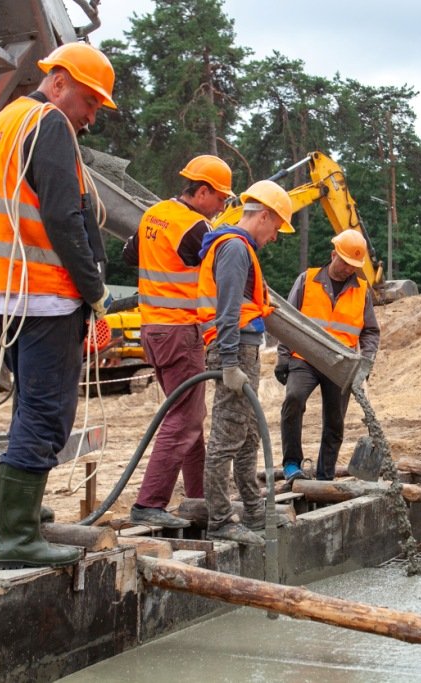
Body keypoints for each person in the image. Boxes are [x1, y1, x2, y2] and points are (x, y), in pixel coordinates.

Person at [0, 42, 117, 569]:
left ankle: (26, 510)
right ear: (60, 82)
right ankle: (18, 536)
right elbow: (65, 217)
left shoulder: (4, 122)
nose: (92, 116)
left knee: (30, 403)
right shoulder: (47, 123)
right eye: (90, 102)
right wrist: (94, 291)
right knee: (48, 412)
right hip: (41, 289)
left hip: (3, 288)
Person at [121, 155, 234, 528]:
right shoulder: (194, 227)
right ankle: (149, 502)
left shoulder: (154, 214)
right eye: (220, 199)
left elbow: (129, 254)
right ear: (202, 192)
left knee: (190, 416)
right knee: (184, 419)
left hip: (153, 329)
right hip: (179, 330)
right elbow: (224, 272)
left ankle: (198, 497)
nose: (222, 208)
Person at [197, 179, 294, 545]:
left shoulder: (239, 248)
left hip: (242, 349)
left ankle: (254, 510)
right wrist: (228, 361)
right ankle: (220, 520)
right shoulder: (235, 249)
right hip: (234, 350)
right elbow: (228, 308)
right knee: (226, 436)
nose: (275, 236)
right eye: (277, 227)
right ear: (264, 216)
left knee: (249, 434)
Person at [275, 230, 380, 482]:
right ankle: (291, 464)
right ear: (333, 254)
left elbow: (370, 331)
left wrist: (366, 362)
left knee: (335, 422)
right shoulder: (307, 280)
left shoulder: (361, 290)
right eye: (345, 262)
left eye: (354, 265)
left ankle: (325, 476)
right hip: (305, 357)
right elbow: (287, 318)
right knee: (294, 398)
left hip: (341, 364)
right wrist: (283, 356)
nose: (348, 269)